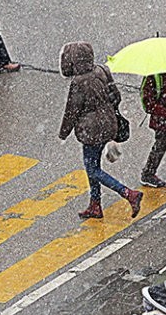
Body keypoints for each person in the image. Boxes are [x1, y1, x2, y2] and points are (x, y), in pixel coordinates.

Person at [58, 41, 143, 219]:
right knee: (93, 165)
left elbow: (71, 111)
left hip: (91, 130)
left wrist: (63, 132)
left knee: (92, 169)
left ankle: (128, 193)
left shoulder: (78, 82)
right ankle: (95, 205)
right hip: (109, 123)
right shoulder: (102, 70)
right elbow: (116, 96)